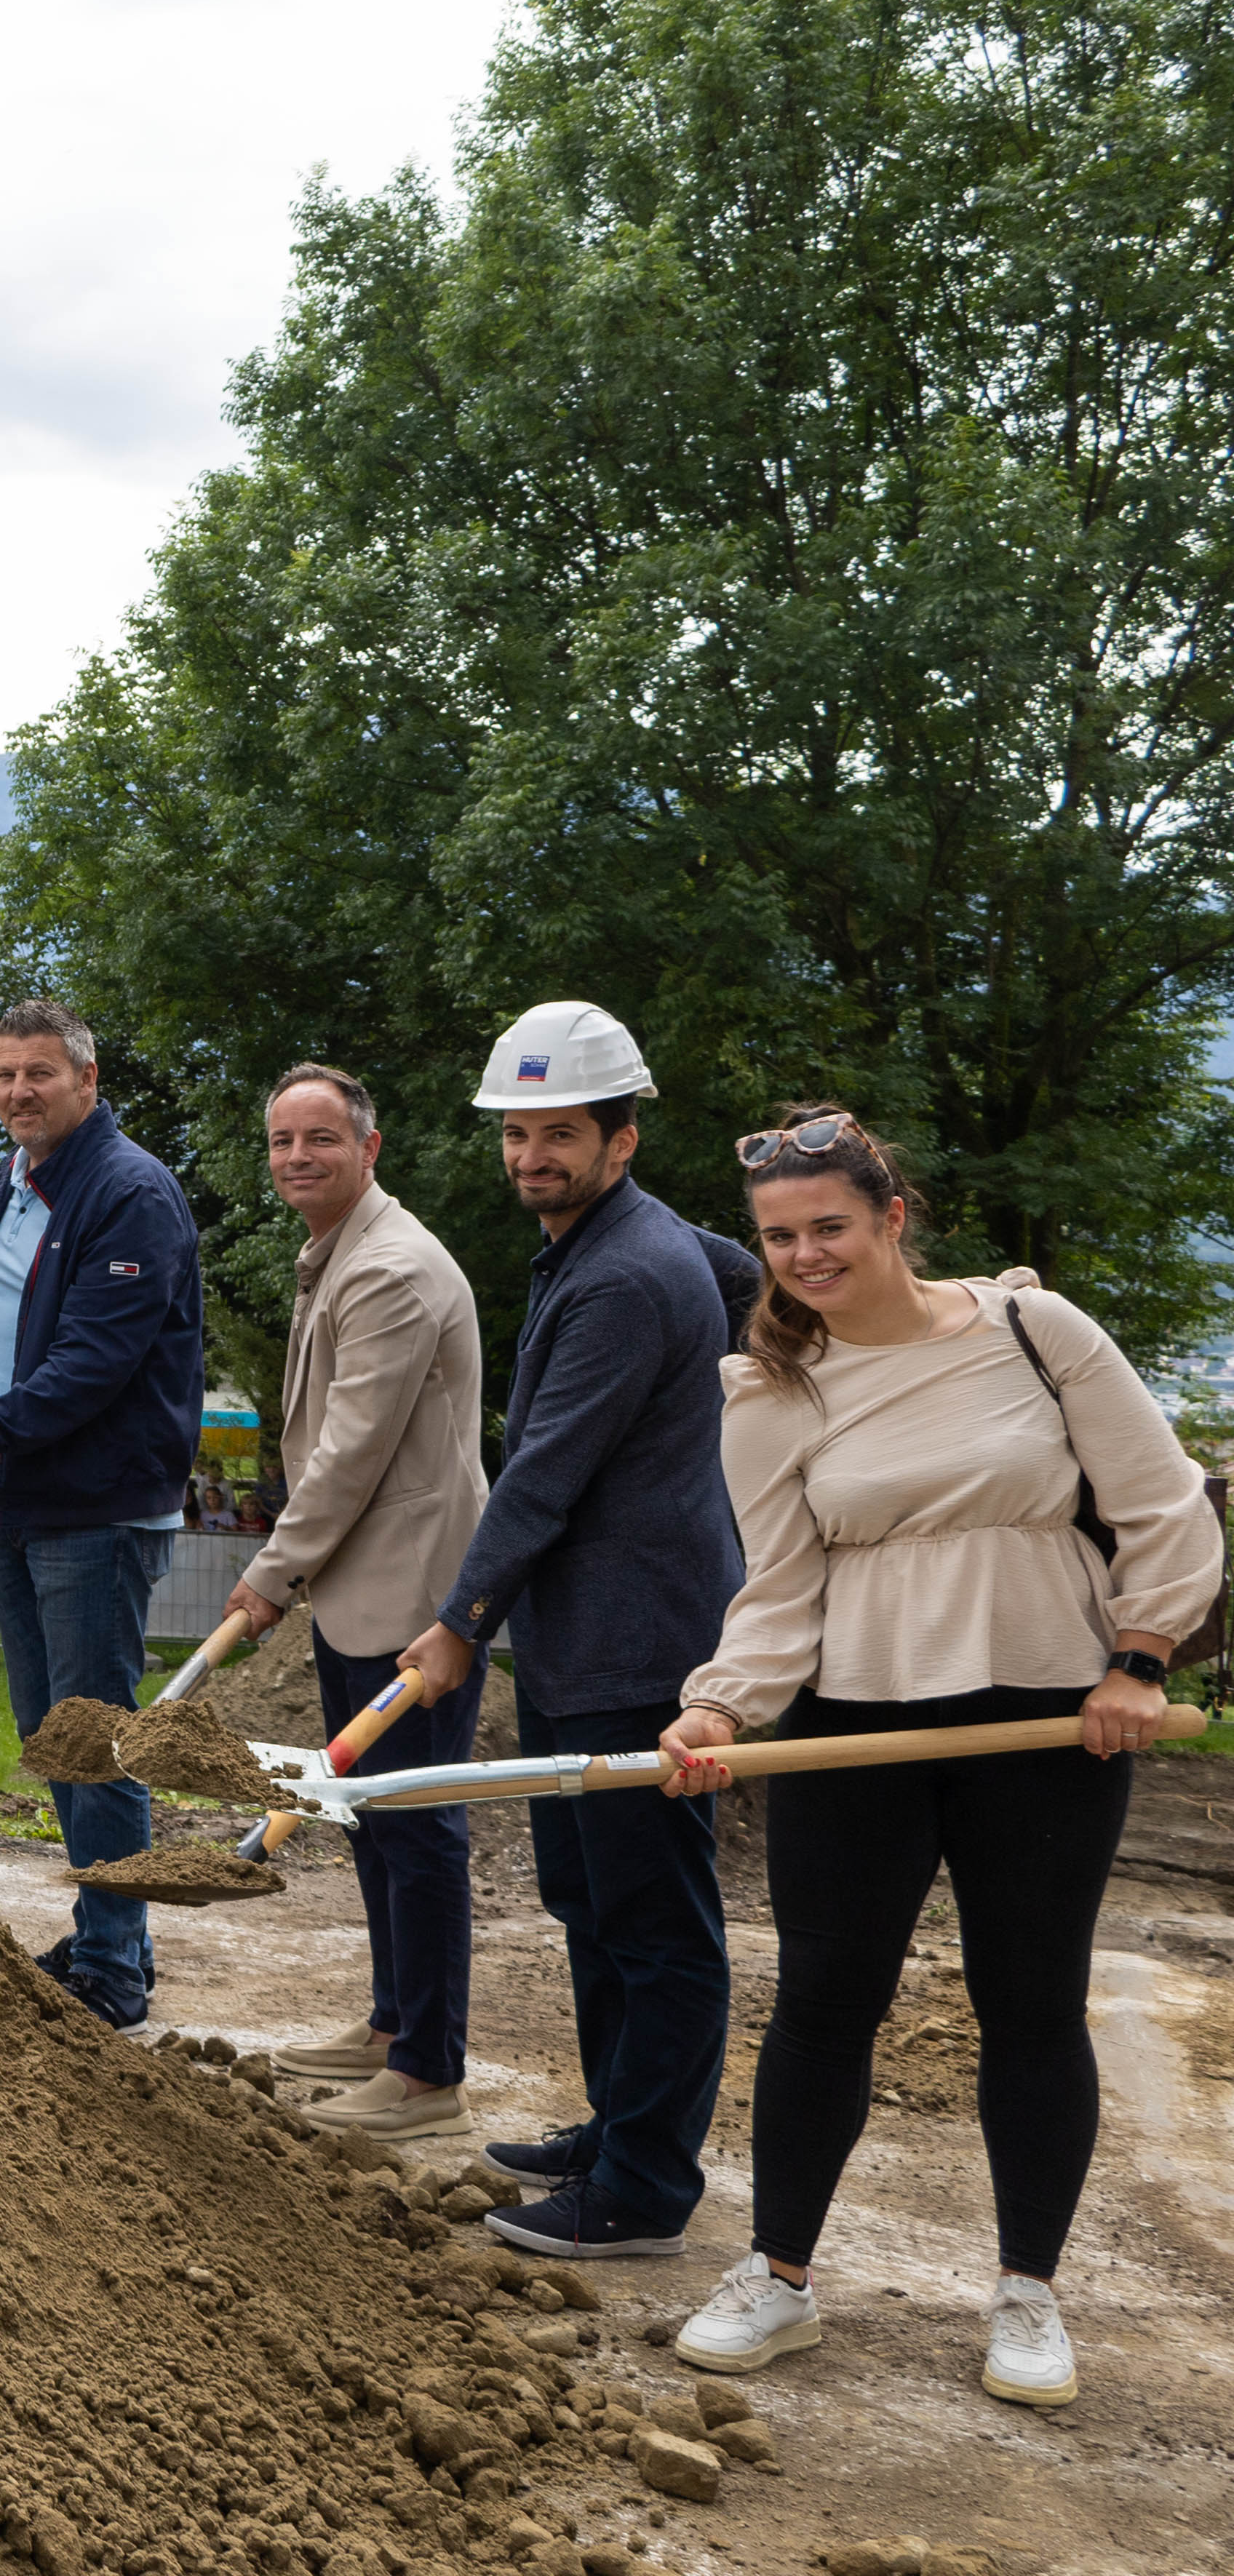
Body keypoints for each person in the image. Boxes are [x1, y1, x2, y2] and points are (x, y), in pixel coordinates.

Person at [664, 1109, 1209, 2409]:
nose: (805, 1254)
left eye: (829, 1227)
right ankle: (779, 2278)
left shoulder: (1038, 1333)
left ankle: (1029, 2294)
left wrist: (1139, 1656)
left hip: (1046, 1724)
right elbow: (779, 1589)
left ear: (891, 1217)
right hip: (857, 1729)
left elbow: (1160, 1496)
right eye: (781, 1237)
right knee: (822, 2003)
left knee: (1031, 2003)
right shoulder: (769, 1389)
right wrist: (723, 1710)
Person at [393, 1000, 744, 2260]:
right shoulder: (629, 1247)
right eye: (518, 1132)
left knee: (653, 1921)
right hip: (583, 1636)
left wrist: (456, 1625)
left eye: (560, 1134)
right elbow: (744, 1272)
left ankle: (644, 2186)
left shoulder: (625, 1276)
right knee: (590, 1900)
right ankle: (619, 2124)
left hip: (637, 1645)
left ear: (622, 1139)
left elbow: (542, 1472)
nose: (531, 1155)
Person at [0, 998, 203, 2034]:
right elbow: (28, 1330)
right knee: (50, 1735)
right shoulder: (21, 1183)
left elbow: (92, 1368)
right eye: (3, 1076)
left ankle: (116, 1965)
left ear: (87, 1078)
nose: (17, 1093)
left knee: (93, 1739)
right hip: (28, 1501)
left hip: (99, 1507)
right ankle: (106, 1923)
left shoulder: (129, 1193)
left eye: (38, 1074)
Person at [231, 1063, 487, 2137]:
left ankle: (427, 2072)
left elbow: (348, 1456)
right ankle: (392, 2026)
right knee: (370, 1819)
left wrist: (269, 1573)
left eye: (321, 1139)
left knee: (415, 1827)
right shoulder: (337, 1254)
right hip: (359, 1587)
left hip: (409, 1592)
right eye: (284, 1141)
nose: (298, 1158)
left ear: (369, 1147)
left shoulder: (389, 1270)